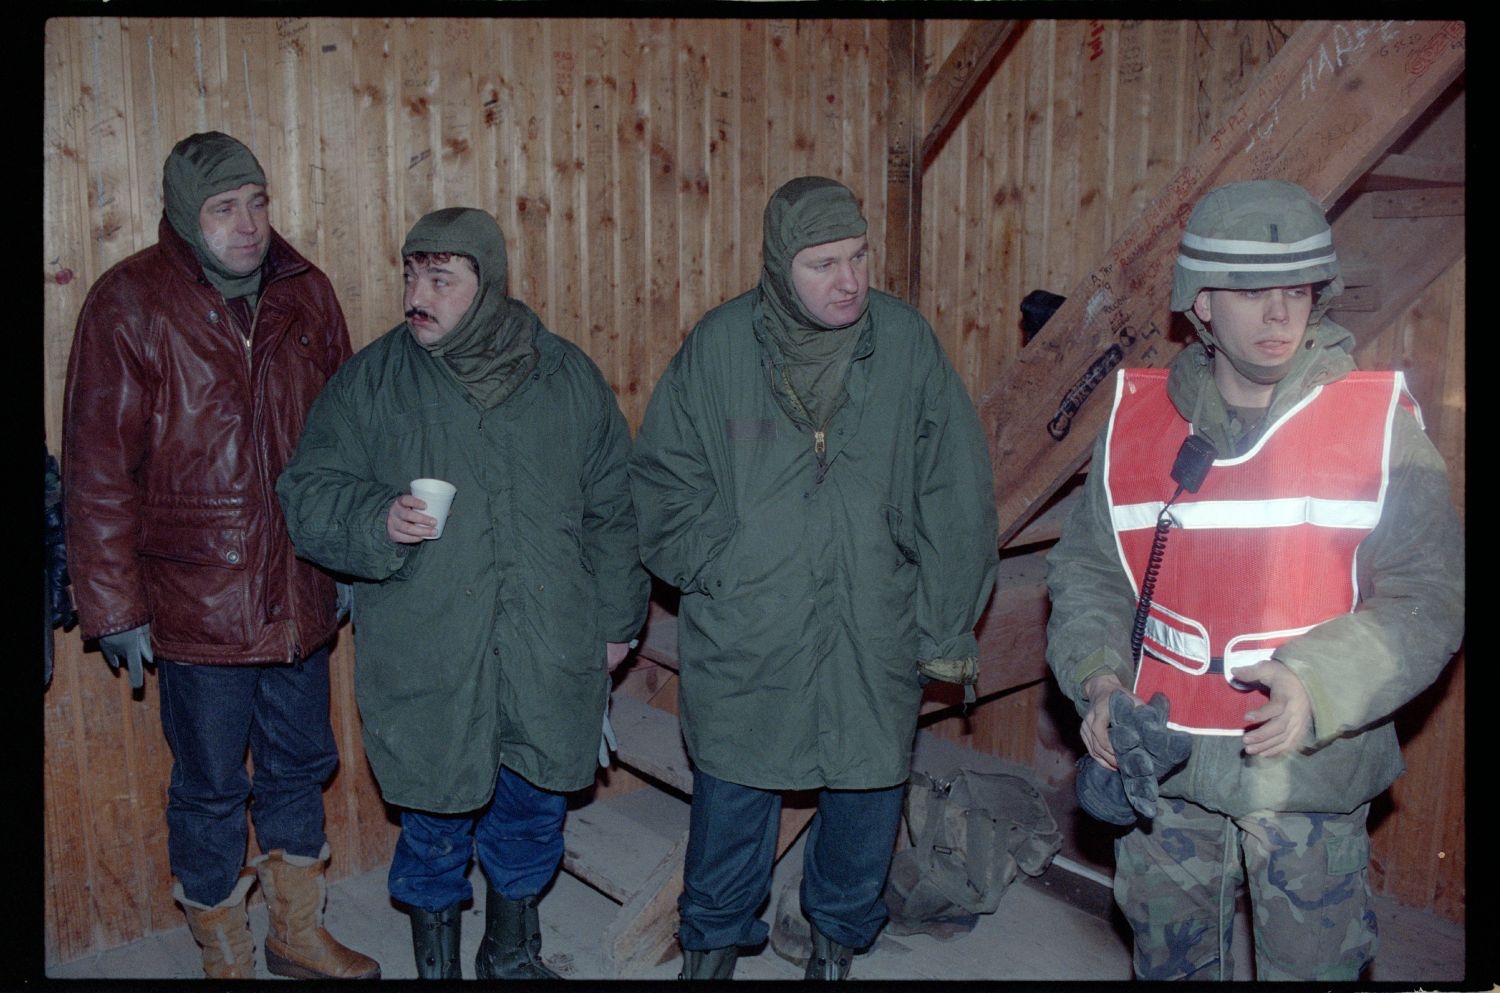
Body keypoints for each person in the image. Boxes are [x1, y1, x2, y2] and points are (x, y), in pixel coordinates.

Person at [1044, 179, 1465, 981]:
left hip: (1308, 770)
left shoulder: (1378, 426)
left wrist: (1319, 683)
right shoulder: (1136, 422)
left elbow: (1429, 596)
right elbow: (1090, 572)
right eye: (1251, 291)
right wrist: (1099, 684)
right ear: (1200, 302)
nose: (1281, 315)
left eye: (1298, 291)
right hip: (1164, 773)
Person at [630, 176, 999, 981]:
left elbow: (956, 489)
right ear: (778, 267)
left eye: (859, 256)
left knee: (867, 794)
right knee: (733, 793)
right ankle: (713, 947)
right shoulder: (721, 347)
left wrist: (943, 621)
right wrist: (720, 562)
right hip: (749, 620)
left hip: (874, 615)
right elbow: (660, 480)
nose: (849, 280)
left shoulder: (904, 343)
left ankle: (835, 944)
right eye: (822, 262)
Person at [276, 207, 649, 980]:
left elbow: (615, 505)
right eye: (412, 274)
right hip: (431, 644)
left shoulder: (565, 375)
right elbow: (307, 492)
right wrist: (375, 517)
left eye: (441, 278)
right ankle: (437, 966)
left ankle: (511, 952)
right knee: (434, 817)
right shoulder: (372, 381)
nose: (420, 294)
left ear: (487, 286)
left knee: (535, 804)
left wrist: (618, 621)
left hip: (549, 639)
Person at [62, 131, 378, 980]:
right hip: (194, 600)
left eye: (257, 202)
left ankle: (294, 933)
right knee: (208, 787)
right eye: (224, 208)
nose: (248, 224)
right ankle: (223, 951)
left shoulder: (305, 293)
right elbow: (95, 470)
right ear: (183, 215)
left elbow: (346, 443)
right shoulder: (129, 301)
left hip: (299, 585)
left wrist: (344, 556)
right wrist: (115, 606)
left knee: (301, 765)